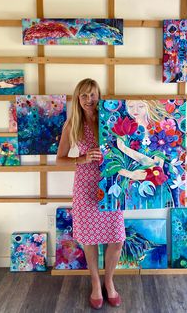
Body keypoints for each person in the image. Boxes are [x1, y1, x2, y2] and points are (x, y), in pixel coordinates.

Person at [56, 78, 126, 309]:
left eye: (92, 94)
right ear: (78, 98)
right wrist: (82, 158)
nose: (88, 100)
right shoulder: (72, 124)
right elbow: (60, 160)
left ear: (99, 95)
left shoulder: (111, 119)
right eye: (84, 95)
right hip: (86, 185)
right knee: (89, 239)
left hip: (111, 184)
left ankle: (109, 281)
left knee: (116, 239)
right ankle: (96, 283)